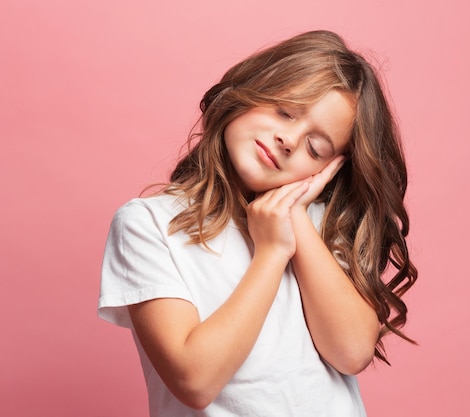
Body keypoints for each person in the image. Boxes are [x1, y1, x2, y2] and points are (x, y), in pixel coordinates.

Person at [98, 30, 417, 417]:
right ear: (247, 91)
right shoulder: (148, 225)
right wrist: (271, 253)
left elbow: (352, 352)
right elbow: (194, 381)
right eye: (285, 110)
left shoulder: (322, 225)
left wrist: (294, 214)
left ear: (329, 169)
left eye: (315, 148)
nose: (288, 139)